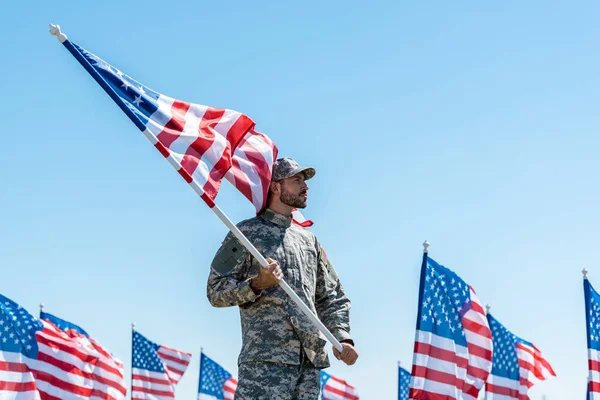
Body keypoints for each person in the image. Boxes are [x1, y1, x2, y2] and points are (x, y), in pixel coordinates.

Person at [207, 157, 358, 400]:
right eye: (296, 180)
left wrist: (342, 337)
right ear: (275, 187)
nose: (305, 187)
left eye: (305, 181)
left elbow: (332, 296)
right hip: (265, 366)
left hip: (308, 367)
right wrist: (256, 284)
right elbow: (215, 291)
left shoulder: (309, 241)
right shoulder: (245, 234)